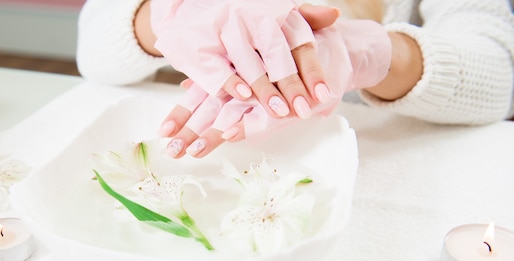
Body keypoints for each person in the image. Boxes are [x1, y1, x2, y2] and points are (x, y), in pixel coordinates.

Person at [76, 0, 514, 157]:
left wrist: (373, 54)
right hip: (241, 160)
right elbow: (93, 50)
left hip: (387, 162)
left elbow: (497, 78)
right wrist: (171, 14)